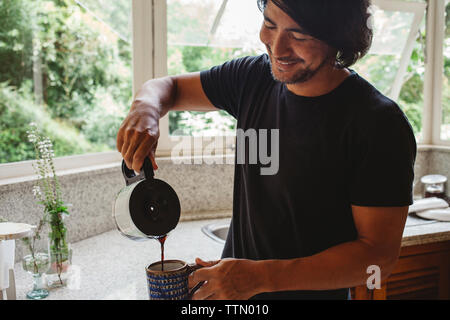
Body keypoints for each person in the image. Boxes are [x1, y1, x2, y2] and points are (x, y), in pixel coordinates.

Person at [116, 0, 417, 300]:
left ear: (340, 36)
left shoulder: (378, 124)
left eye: (299, 36)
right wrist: (145, 108)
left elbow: (378, 259)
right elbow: (168, 88)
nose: (277, 46)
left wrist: (258, 278)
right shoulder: (253, 78)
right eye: (270, 24)